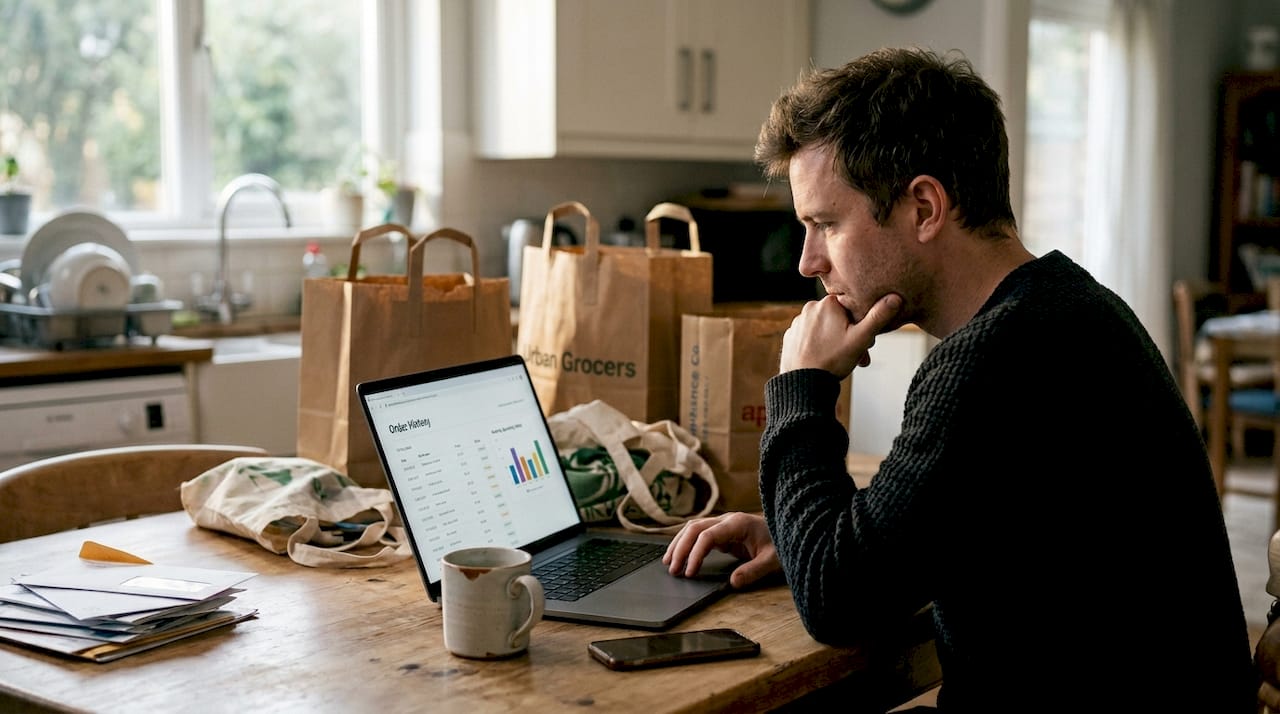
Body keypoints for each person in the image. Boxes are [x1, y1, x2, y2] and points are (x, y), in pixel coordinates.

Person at [662, 47, 1257, 710]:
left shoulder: (989, 362)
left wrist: (802, 385)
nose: (807, 261)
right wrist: (805, 534)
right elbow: (942, 523)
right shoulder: (1069, 307)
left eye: (825, 224)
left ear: (923, 207)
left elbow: (838, 602)